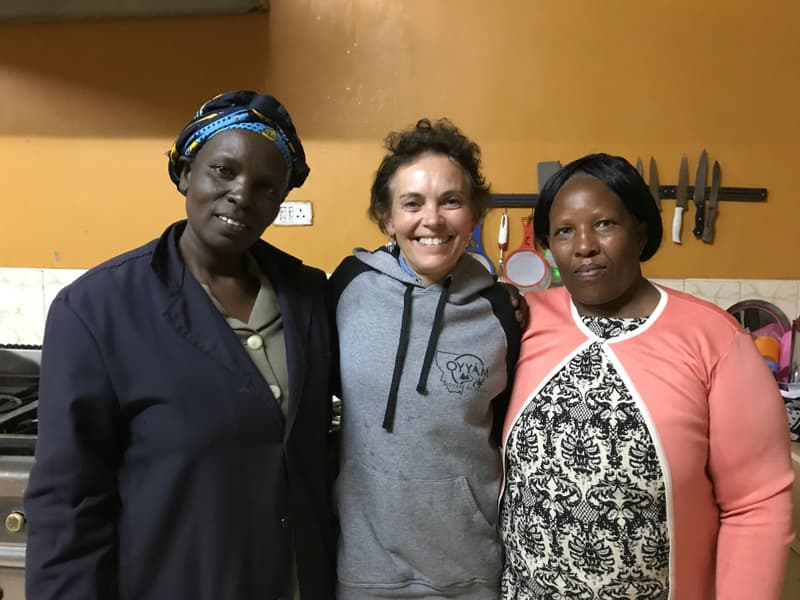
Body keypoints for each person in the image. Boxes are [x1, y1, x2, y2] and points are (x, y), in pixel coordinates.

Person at [24, 91, 336, 600]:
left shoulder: (307, 296)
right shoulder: (98, 311)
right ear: (185, 173)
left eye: (265, 186)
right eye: (223, 171)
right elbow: (68, 504)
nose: (241, 194)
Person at [500, 153, 794, 599]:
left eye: (604, 225)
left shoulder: (713, 339)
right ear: (548, 246)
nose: (584, 246)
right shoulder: (522, 322)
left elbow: (756, 506)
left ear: (640, 231)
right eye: (564, 231)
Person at [329, 118, 522, 599]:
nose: (431, 220)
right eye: (412, 203)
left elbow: (507, 426)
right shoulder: (346, 288)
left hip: (468, 567)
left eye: (450, 201)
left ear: (473, 213)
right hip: (364, 565)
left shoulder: (501, 311)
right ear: (386, 218)